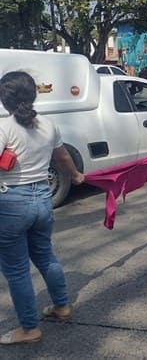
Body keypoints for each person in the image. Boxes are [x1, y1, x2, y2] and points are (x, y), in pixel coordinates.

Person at [0, 71, 85, 346]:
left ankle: (29, 328)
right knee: (46, 257)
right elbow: (62, 156)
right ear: (33, 94)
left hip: (12, 202)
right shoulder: (48, 125)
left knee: (17, 270)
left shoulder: (4, 128)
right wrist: (75, 176)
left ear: (5, 99)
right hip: (43, 200)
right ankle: (61, 306)